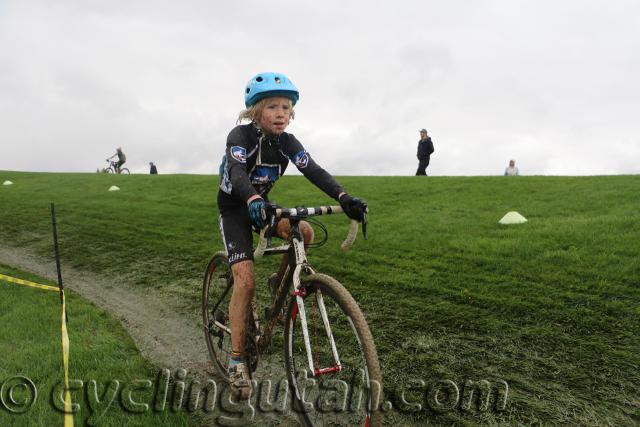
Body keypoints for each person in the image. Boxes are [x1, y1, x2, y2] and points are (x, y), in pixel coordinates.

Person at [217, 72, 367, 399]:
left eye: (286, 107)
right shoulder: (240, 135)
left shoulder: (287, 142)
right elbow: (237, 172)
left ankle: (281, 282)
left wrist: (343, 197)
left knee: (306, 230)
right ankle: (237, 358)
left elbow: (312, 168)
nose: (281, 113)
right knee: (244, 281)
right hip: (235, 209)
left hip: (263, 206)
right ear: (256, 111)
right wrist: (252, 198)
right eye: (273, 106)